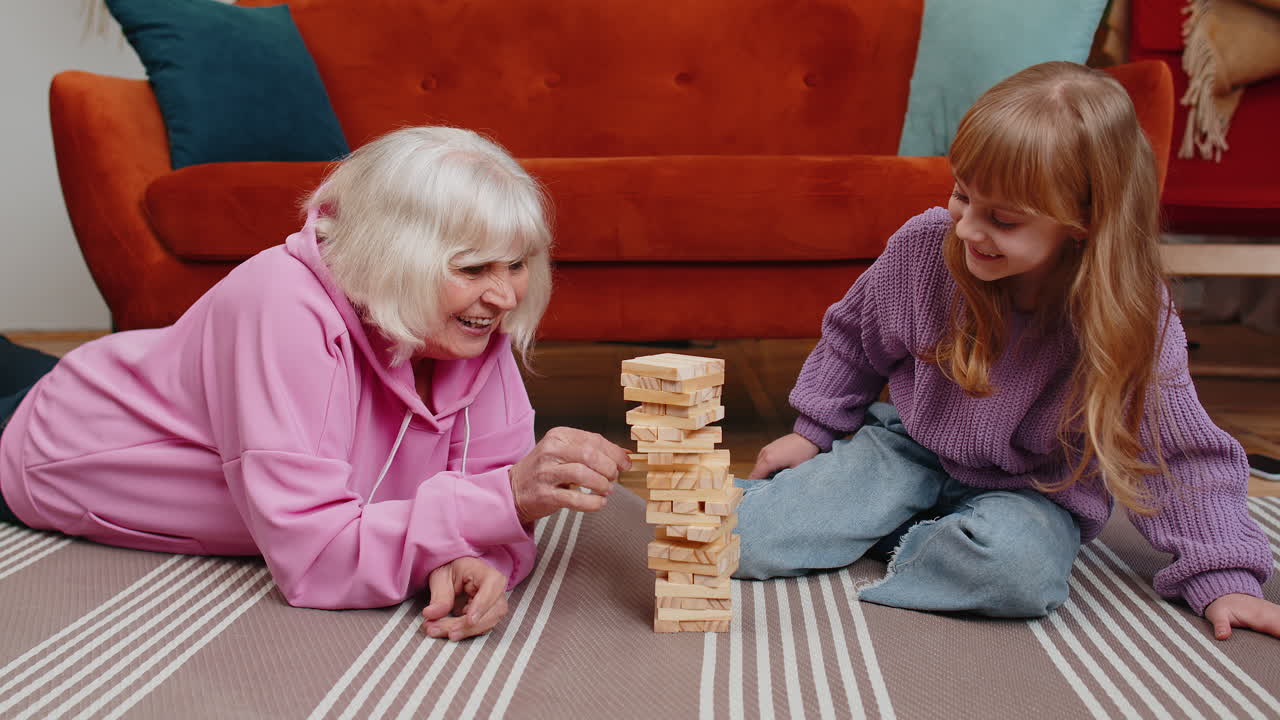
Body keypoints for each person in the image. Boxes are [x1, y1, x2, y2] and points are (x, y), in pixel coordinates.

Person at [0, 126, 631, 642]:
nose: (504, 296)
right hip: (50, 441)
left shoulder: (464, 325)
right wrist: (510, 497)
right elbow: (316, 557)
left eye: (516, 264)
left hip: (116, 377)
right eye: (472, 268)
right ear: (392, 256)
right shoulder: (282, 302)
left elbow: (483, 499)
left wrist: (471, 559)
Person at [733, 62, 1280, 640]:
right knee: (749, 536)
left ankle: (885, 526)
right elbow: (852, 340)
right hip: (909, 450)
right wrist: (813, 431)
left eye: (1002, 219)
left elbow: (1179, 454)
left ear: (1084, 221)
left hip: (1035, 492)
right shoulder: (923, 248)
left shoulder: (1132, 314)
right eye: (962, 195)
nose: (967, 228)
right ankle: (900, 522)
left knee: (1015, 573)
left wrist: (1224, 576)